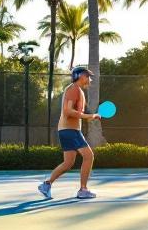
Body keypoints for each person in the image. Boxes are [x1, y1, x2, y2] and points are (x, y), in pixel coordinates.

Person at [38, 66, 102, 200]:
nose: (89, 79)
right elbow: (67, 111)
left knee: (68, 163)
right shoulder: (73, 89)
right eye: (87, 76)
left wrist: (89, 117)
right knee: (89, 156)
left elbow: (74, 113)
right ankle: (83, 189)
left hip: (67, 130)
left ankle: (46, 184)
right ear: (79, 76)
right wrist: (87, 116)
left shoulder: (77, 91)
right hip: (70, 130)